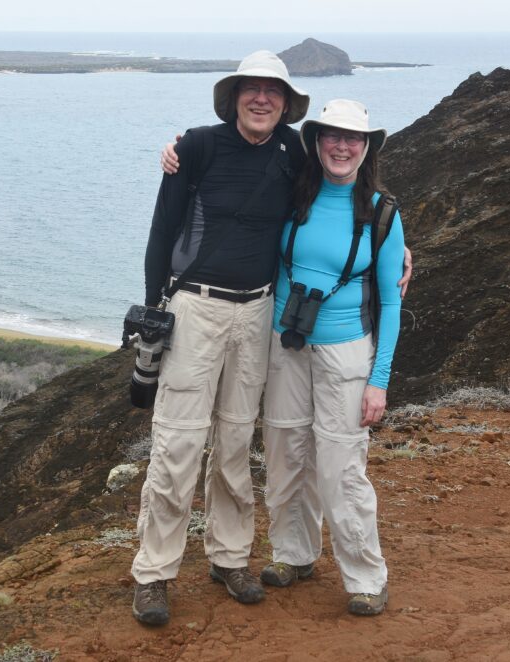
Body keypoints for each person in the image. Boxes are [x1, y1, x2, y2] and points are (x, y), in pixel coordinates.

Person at [130, 51, 310, 626]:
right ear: (233, 98)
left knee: (235, 442)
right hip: (195, 310)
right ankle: (154, 573)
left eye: (272, 92)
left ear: (285, 105)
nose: (262, 99)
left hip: (257, 313)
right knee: (178, 443)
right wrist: (155, 302)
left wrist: (392, 240)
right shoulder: (198, 147)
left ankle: (229, 558)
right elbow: (163, 227)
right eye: (250, 90)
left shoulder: (294, 152)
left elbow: (338, 197)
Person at [258, 99, 404, 616]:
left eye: (354, 139)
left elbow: (390, 300)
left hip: (346, 351)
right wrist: (175, 151)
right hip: (286, 345)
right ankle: (293, 555)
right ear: (316, 142)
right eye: (332, 136)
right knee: (285, 453)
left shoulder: (383, 213)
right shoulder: (293, 194)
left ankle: (366, 577)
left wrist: (378, 379)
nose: (342, 146)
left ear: (366, 149)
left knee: (341, 466)